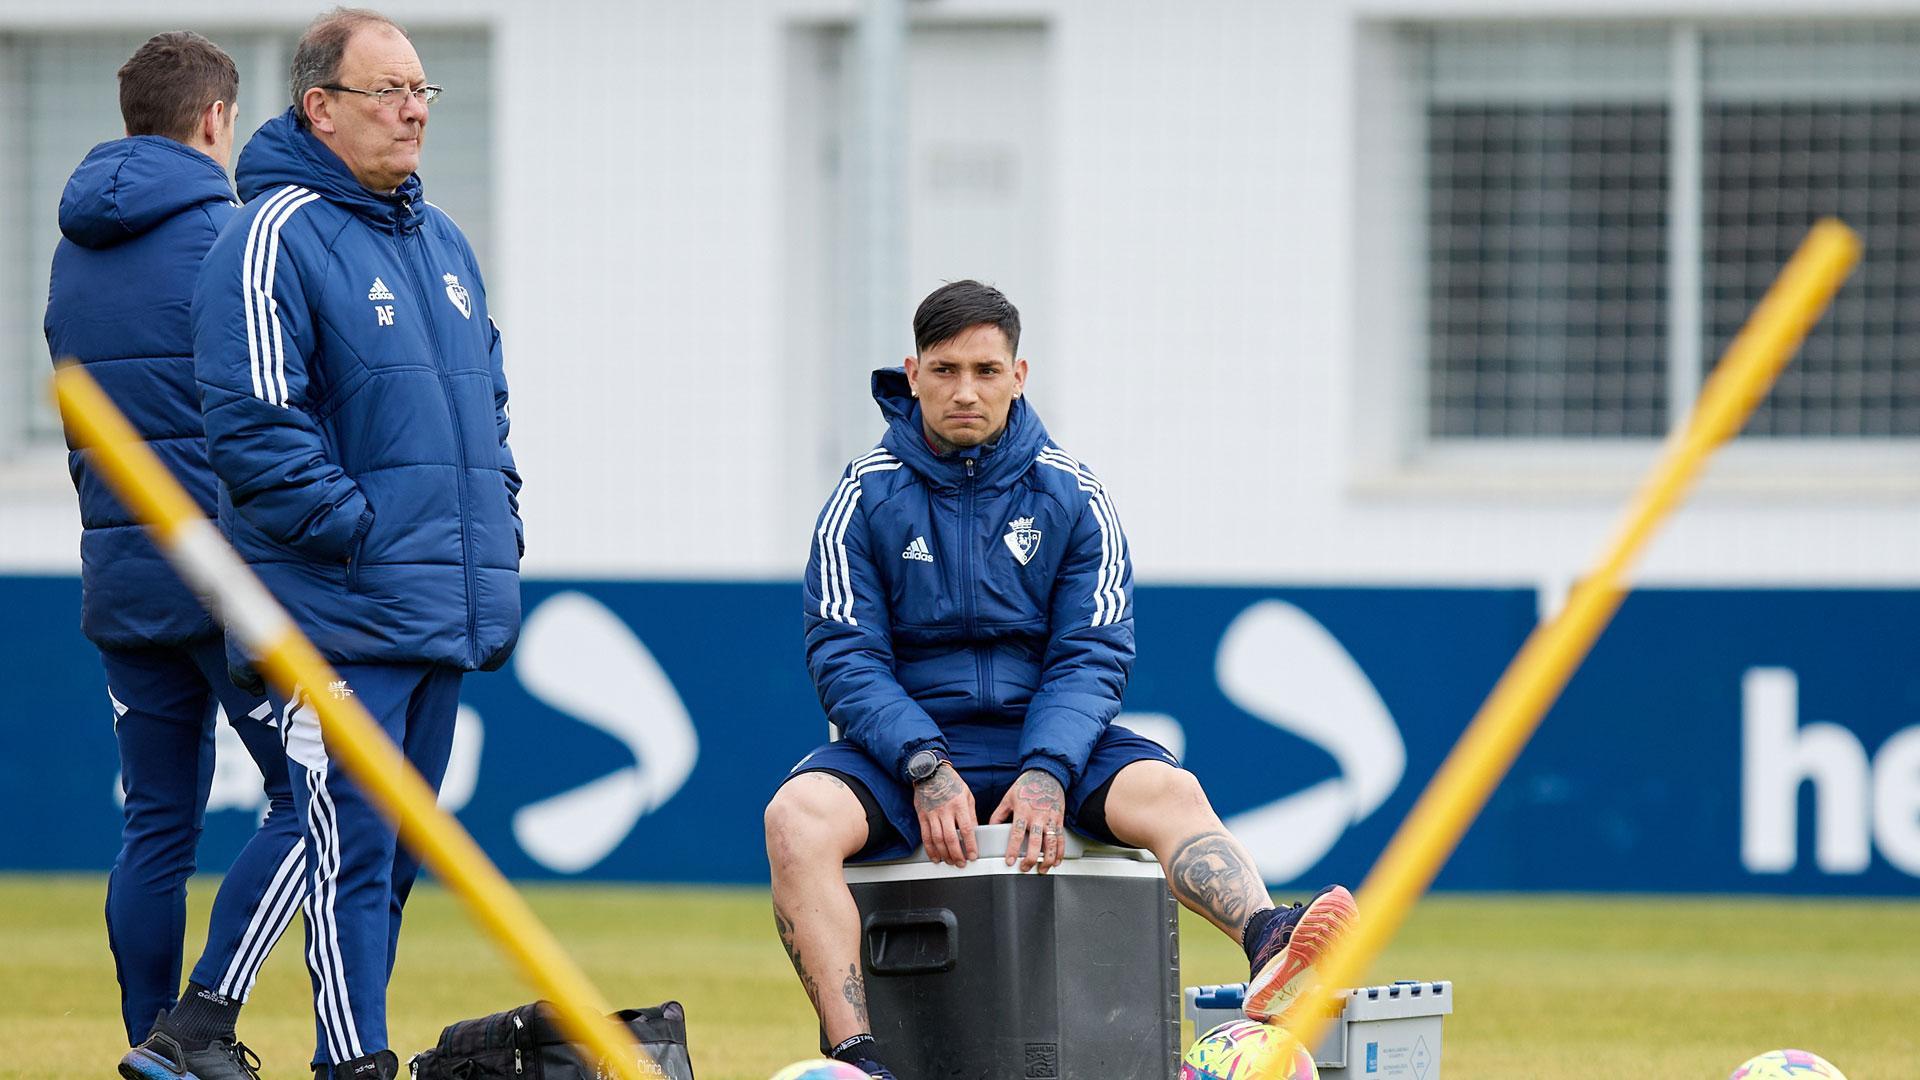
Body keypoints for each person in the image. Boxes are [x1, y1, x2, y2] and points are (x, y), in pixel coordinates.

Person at [765, 281, 1357, 1078]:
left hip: (1043, 737)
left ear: (1020, 374)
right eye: (944, 370)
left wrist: (1047, 769)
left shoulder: (1073, 494)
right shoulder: (862, 495)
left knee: (1170, 793)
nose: (965, 390)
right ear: (912, 374)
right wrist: (923, 764)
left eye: (985, 368)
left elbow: (1092, 654)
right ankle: (858, 1059)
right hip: (906, 745)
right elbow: (845, 655)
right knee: (795, 819)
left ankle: (1271, 942)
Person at [191, 8, 521, 1078]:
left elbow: (489, 413)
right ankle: (350, 1060)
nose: (414, 109)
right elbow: (252, 425)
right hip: (339, 603)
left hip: (435, 606)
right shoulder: (271, 230)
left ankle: (201, 1032)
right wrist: (358, 533)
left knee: (390, 857)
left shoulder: (446, 242)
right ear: (320, 107)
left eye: (423, 89)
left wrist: (498, 522)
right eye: (388, 91)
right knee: (349, 849)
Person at [44, 30, 307, 1080]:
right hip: (227, 575)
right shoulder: (233, 239)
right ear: (216, 120)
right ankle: (195, 1026)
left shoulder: (70, 252)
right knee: (310, 800)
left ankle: (147, 1044)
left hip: (118, 569)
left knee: (154, 828)